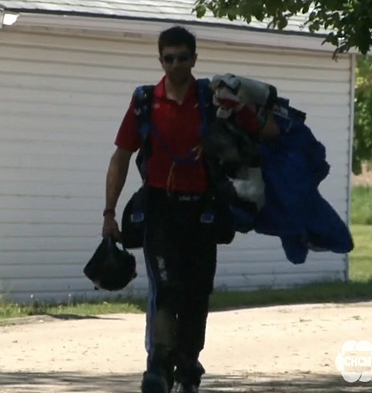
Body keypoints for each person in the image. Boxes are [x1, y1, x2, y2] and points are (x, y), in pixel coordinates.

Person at [102, 26, 278, 393]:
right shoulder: (146, 102)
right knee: (166, 290)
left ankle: (188, 371)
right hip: (160, 209)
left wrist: (243, 113)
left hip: (203, 211)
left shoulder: (213, 100)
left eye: (183, 57)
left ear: (194, 59)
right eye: (169, 58)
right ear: (160, 59)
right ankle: (158, 368)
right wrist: (109, 212)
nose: (176, 64)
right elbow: (121, 157)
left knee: (197, 294)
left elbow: (269, 132)